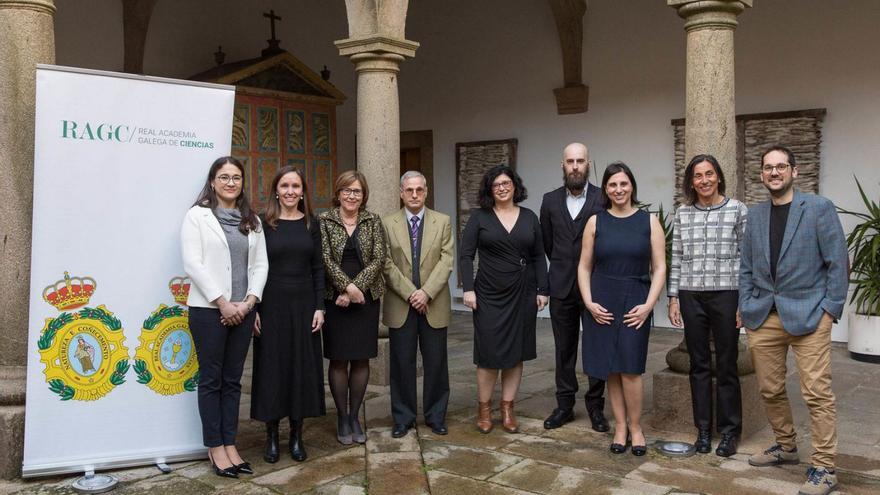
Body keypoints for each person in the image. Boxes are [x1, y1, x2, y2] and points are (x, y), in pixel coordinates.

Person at [740, 145, 848, 495]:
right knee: (769, 389)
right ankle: (786, 446)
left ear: (794, 172)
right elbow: (745, 268)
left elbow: (837, 262)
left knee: (817, 393)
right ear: (762, 174)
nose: (774, 172)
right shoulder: (755, 216)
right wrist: (746, 305)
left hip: (810, 315)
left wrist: (830, 309)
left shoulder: (818, 208)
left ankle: (824, 467)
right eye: (768, 167)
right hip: (763, 316)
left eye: (781, 166)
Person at [181, 156, 268, 478]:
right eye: (224, 177)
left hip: (244, 311)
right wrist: (223, 303)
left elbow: (260, 265)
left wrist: (248, 302)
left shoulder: (252, 221)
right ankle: (215, 447)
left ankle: (231, 444)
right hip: (208, 311)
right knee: (211, 379)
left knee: (233, 381)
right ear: (213, 182)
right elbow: (193, 264)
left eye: (236, 177)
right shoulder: (197, 216)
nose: (230, 182)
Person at [577, 162, 666, 456]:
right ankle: (620, 427)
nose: (619, 189)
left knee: (630, 368)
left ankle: (637, 427)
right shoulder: (595, 222)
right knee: (611, 370)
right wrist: (589, 303)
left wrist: (649, 305)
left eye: (623, 184)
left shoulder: (649, 221)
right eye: (613, 185)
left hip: (635, 300)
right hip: (602, 299)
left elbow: (660, 267)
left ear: (632, 186)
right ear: (606, 189)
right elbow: (584, 266)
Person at [667, 154, 748, 457]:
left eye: (709, 174)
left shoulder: (738, 210)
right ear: (691, 182)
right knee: (699, 365)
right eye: (698, 176)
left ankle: (729, 432)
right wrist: (674, 298)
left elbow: (747, 258)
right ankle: (703, 430)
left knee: (726, 364)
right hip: (691, 295)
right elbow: (676, 258)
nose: (704, 180)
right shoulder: (683, 213)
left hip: (726, 294)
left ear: (718, 177)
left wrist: (744, 300)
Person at [459, 165, 548, 434]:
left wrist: (543, 290)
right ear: (490, 189)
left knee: (516, 353)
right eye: (496, 184)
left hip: (523, 291)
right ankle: (484, 408)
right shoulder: (479, 218)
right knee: (488, 354)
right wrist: (468, 288)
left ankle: (508, 408)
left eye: (506, 182)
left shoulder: (530, 217)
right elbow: (466, 255)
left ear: (515, 186)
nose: (502, 187)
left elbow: (538, 256)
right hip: (487, 294)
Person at [250, 166, 325, 463]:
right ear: (276, 190)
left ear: (303, 190)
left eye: (296, 185)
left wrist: (320, 306)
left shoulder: (311, 224)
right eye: (285, 185)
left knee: (300, 369)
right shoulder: (262, 224)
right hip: (271, 305)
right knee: (272, 368)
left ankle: (296, 434)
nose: (291, 191)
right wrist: (254, 306)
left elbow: (318, 268)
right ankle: (271, 435)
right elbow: (252, 268)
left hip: (304, 305)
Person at [539, 143, 609, 432]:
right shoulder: (550, 200)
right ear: (563, 165)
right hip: (562, 287)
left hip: (595, 288)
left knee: (596, 347)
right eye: (571, 161)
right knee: (563, 349)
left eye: (580, 161)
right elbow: (547, 242)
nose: (576, 166)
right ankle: (565, 405)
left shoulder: (602, 198)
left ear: (589, 163)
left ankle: (595, 407)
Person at [382, 171, 455, 438]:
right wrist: (412, 294)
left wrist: (426, 293)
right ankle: (403, 418)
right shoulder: (387, 223)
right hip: (401, 304)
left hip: (433, 304)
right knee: (402, 363)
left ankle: (436, 416)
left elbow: (447, 261)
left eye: (419, 190)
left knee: (436, 363)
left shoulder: (443, 221)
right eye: (409, 190)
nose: (414, 195)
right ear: (401, 192)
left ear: (426, 191)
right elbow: (386, 263)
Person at [319, 170, 386, 445]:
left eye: (356, 191)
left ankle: (354, 416)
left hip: (366, 298)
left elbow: (379, 257)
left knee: (360, 359)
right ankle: (341, 415)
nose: (351, 195)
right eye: (346, 190)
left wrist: (357, 288)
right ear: (338, 193)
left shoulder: (373, 220)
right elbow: (324, 258)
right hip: (335, 298)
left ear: (364, 195)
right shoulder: (324, 220)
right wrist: (346, 288)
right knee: (338, 359)